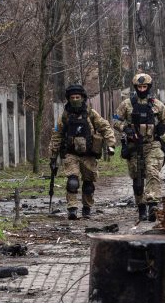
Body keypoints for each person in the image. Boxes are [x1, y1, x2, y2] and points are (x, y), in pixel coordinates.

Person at [112, 73, 165, 222]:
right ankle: (141, 208)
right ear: (135, 87)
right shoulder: (126, 104)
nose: (142, 89)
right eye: (139, 87)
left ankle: (152, 206)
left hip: (153, 145)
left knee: (152, 173)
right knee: (137, 180)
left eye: (144, 87)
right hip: (134, 147)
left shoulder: (157, 104)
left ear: (149, 87)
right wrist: (125, 128)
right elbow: (115, 121)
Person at [48, 84, 116, 220]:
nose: (75, 100)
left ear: (83, 98)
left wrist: (111, 144)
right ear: (68, 98)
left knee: (88, 185)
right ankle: (72, 208)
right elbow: (57, 135)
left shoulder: (91, 114)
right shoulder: (65, 116)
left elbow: (105, 127)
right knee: (72, 182)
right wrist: (53, 154)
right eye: (72, 97)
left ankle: (87, 208)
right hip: (71, 154)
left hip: (89, 155)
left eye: (77, 97)